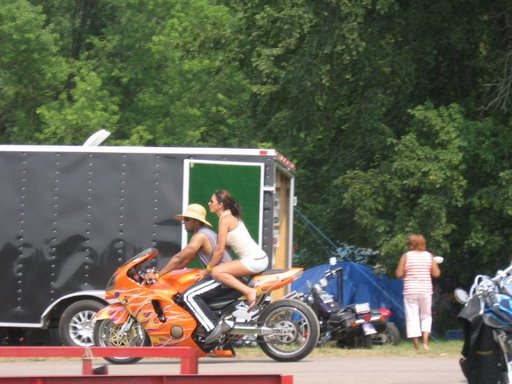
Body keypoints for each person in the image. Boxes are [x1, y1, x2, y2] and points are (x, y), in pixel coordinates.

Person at [147, 204, 232, 340]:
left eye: (187, 220)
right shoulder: (205, 234)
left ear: (196, 222)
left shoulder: (200, 236)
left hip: (223, 278)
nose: (184, 223)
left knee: (188, 296)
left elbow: (179, 257)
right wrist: (163, 273)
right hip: (221, 276)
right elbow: (184, 262)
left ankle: (213, 327)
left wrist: (157, 275)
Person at [395, 234, 441, 350]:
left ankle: (416, 343)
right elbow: (436, 274)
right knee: (426, 316)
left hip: (410, 290)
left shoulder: (406, 256)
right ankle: (425, 343)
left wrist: (406, 273)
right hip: (425, 290)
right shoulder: (429, 256)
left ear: (411, 245)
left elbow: (399, 274)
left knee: (412, 316)